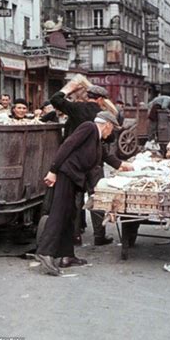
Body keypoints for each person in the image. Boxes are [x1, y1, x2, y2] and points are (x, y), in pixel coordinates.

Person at [35, 111, 133, 276]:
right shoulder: (88, 128)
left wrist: (123, 165)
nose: (111, 133)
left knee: (69, 214)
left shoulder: (95, 137)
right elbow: (67, 146)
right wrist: (53, 171)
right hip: (66, 174)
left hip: (74, 178)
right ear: (107, 124)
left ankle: (66, 256)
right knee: (59, 213)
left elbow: (106, 156)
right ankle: (45, 252)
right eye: (112, 129)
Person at [50, 83, 119, 245]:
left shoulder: (76, 108)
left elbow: (55, 99)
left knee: (76, 199)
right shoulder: (103, 114)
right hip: (95, 160)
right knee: (97, 196)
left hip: (76, 161)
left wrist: (69, 89)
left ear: (88, 96)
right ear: (100, 99)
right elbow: (110, 138)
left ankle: (75, 236)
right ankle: (99, 235)